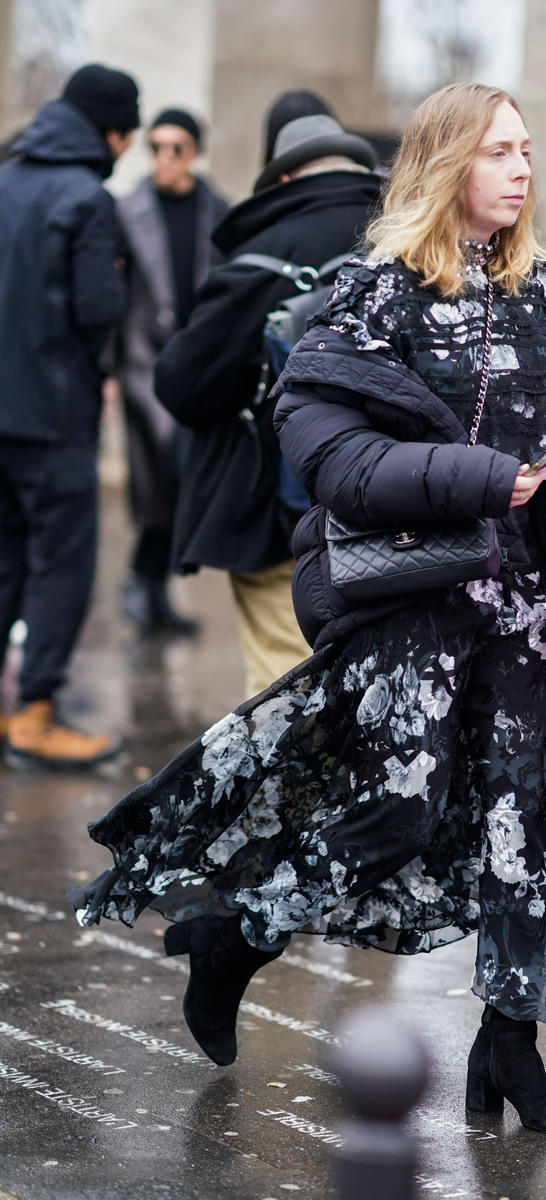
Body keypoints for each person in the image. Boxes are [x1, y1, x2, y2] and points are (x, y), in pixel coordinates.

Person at [69, 83, 546, 1137]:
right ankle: (233, 936)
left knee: (531, 828)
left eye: (526, 149)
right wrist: (483, 478)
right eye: (497, 151)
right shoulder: (371, 296)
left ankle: (509, 1049)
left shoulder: (533, 290)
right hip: (409, 601)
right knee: (388, 817)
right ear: (445, 164)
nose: (520, 169)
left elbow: (531, 432)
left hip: (516, 605)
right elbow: (330, 461)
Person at [153, 106, 381, 696]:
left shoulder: (259, 258)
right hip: (401, 511)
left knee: (288, 688)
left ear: (282, 179)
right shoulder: (411, 242)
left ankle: (303, 791)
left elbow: (182, 385)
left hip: (283, 516)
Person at [0, 64, 139, 769]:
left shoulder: (3, 177)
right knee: (59, 566)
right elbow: (98, 310)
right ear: (111, 132)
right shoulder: (87, 196)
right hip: (54, 416)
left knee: (3, 560)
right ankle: (33, 717)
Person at [116, 108, 227, 635]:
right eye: (156, 146)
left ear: (196, 152)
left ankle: (153, 590)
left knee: (182, 481)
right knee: (157, 474)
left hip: (195, 367)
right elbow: (111, 297)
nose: (164, 158)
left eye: (176, 147)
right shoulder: (126, 210)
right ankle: (143, 582)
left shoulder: (215, 210)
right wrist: (108, 372)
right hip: (143, 364)